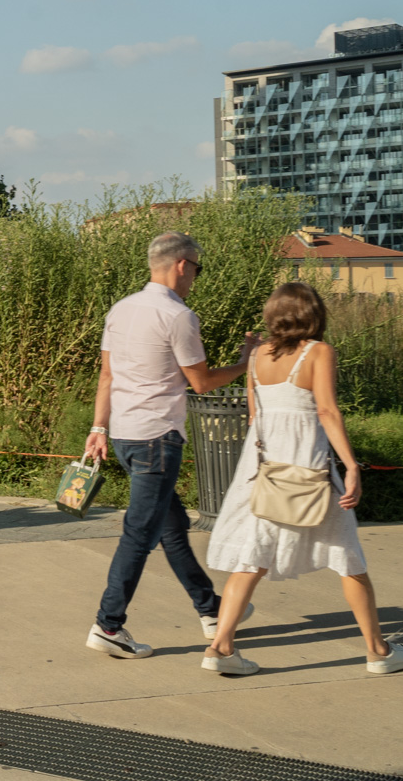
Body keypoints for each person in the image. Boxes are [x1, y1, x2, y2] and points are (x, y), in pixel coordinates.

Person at [201, 282, 403, 676]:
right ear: (313, 313)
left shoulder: (255, 358)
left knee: (251, 558)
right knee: (348, 558)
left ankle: (220, 648)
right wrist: (351, 465)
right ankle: (378, 652)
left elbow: (255, 416)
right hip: (309, 472)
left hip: (263, 474)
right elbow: (327, 412)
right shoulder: (318, 352)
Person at [83, 231, 254, 658]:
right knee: (138, 535)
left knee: (171, 526)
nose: (196, 276)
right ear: (181, 264)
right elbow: (201, 382)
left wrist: (98, 428)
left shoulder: (120, 310)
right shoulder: (179, 316)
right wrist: (244, 362)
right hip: (157, 438)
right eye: (196, 267)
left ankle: (210, 608)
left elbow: (106, 376)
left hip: (123, 435)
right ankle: (108, 625)